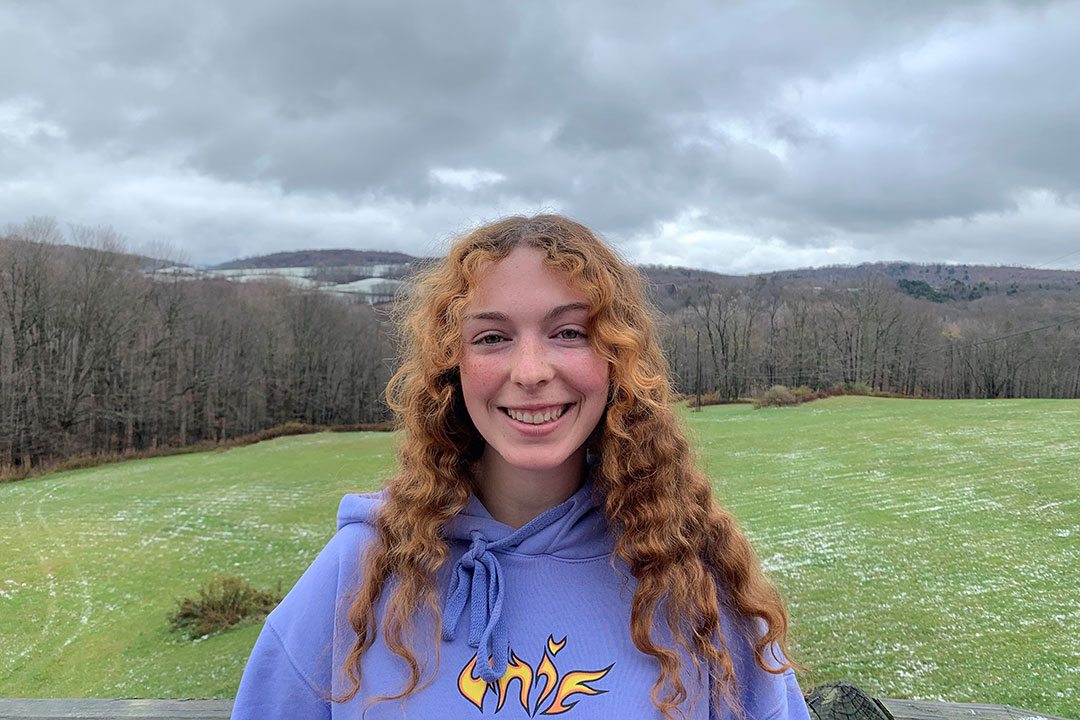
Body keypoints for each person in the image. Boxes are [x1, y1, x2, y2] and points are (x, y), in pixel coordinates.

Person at [231, 215, 809, 719]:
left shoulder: (694, 579)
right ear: (450, 368)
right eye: (491, 337)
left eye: (569, 332)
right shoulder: (360, 572)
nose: (530, 371)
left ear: (617, 361)